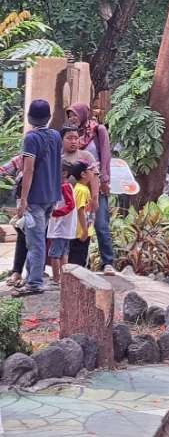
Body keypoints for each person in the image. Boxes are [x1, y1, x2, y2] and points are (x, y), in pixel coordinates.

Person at [14, 99, 62, 296]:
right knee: (37, 237)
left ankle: (34, 282)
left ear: (29, 117)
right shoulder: (56, 135)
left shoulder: (31, 138)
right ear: (49, 117)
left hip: (35, 198)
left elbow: (29, 169)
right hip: (51, 195)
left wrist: (23, 199)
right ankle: (30, 276)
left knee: (36, 242)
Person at [65, 104, 115, 274]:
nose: (72, 118)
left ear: (83, 115)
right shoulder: (71, 134)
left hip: (96, 184)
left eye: (75, 115)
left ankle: (108, 262)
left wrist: (105, 179)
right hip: (76, 187)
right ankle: (78, 263)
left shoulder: (98, 130)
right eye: (70, 115)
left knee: (100, 223)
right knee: (77, 224)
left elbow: (106, 155)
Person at [46, 165, 77, 284]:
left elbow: (70, 205)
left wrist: (55, 212)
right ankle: (64, 278)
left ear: (64, 173)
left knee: (54, 254)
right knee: (64, 253)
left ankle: (56, 279)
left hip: (61, 226)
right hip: (65, 227)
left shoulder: (64, 186)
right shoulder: (68, 186)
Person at [68, 161, 94, 267]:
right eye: (90, 170)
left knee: (81, 258)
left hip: (83, 230)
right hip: (80, 232)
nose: (93, 173)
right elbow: (80, 210)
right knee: (77, 260)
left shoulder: (83, 188)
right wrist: (84, 230)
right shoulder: (81, 190)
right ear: (83, 174)